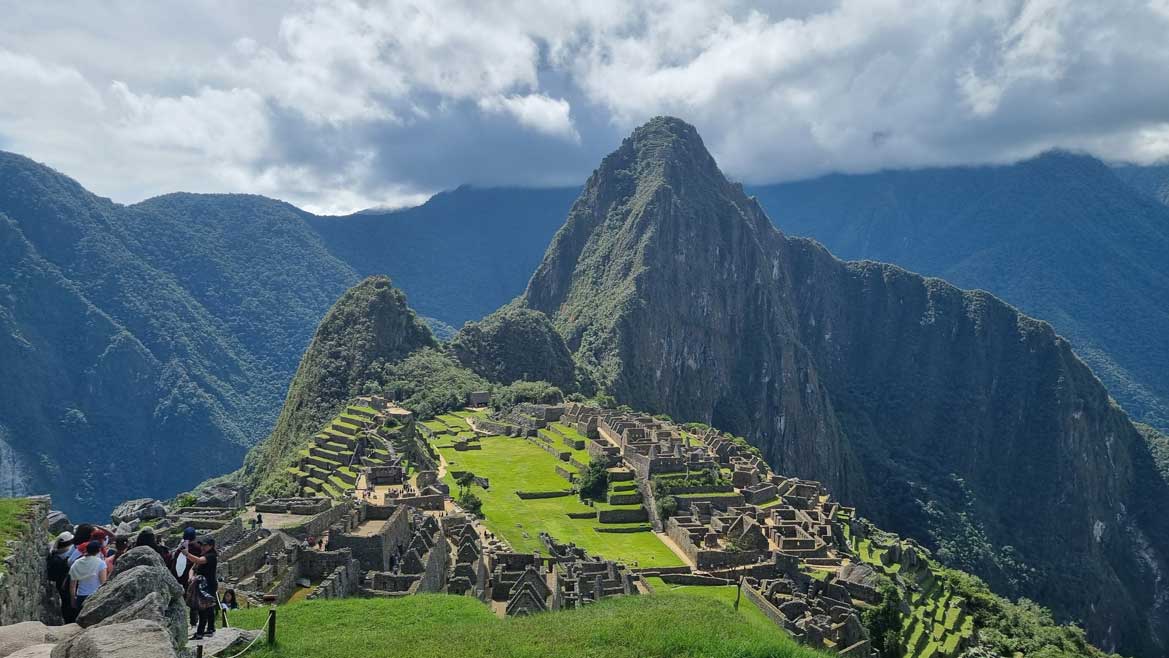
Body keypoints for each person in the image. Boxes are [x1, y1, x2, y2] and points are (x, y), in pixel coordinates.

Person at [182, 537, 218, 639]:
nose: (202, 547)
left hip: (208, 585)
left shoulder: (211, 556)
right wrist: (191, 577)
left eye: (205, 545)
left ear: (211, 546)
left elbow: (198, 560)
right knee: (208, 607)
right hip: (201, 585)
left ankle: (200, 633)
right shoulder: (204, 555)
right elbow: (193, 568)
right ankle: (210, 629)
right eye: (202, 545)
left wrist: (187, 554)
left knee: (203, 608)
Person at [68, 540, 107, 614]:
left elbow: (72, 586)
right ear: (99, 550)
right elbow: (103, 583)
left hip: (81, 596)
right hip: (95, 596)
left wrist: (72, 600)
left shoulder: (77, 563)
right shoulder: (101, 563)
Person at [46, 532, 74, 622]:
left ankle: (67, 619)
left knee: (65, 602)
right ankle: (70, 619)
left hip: (59, 582)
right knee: (68, 602)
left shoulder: (54, 552)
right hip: (65, 582)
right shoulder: (68, 555)